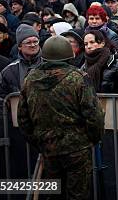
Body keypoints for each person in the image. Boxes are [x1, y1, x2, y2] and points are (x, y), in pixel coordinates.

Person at [17, 36, 104, 200]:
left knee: (53, 194)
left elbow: (23, 118)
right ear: (69, 56)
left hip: (48, 148)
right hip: (77, 149)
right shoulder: (78, 78)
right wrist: (92, 139)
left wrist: (39, 141)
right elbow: (94, 115)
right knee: (78, 195)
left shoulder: (30, 79)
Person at [0, 24, 41, 99]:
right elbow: (0, 99)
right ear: (19, 46)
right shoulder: (9, 71)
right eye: (28, 43)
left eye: (35, 41)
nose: (33, 45)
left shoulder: (48, 65)